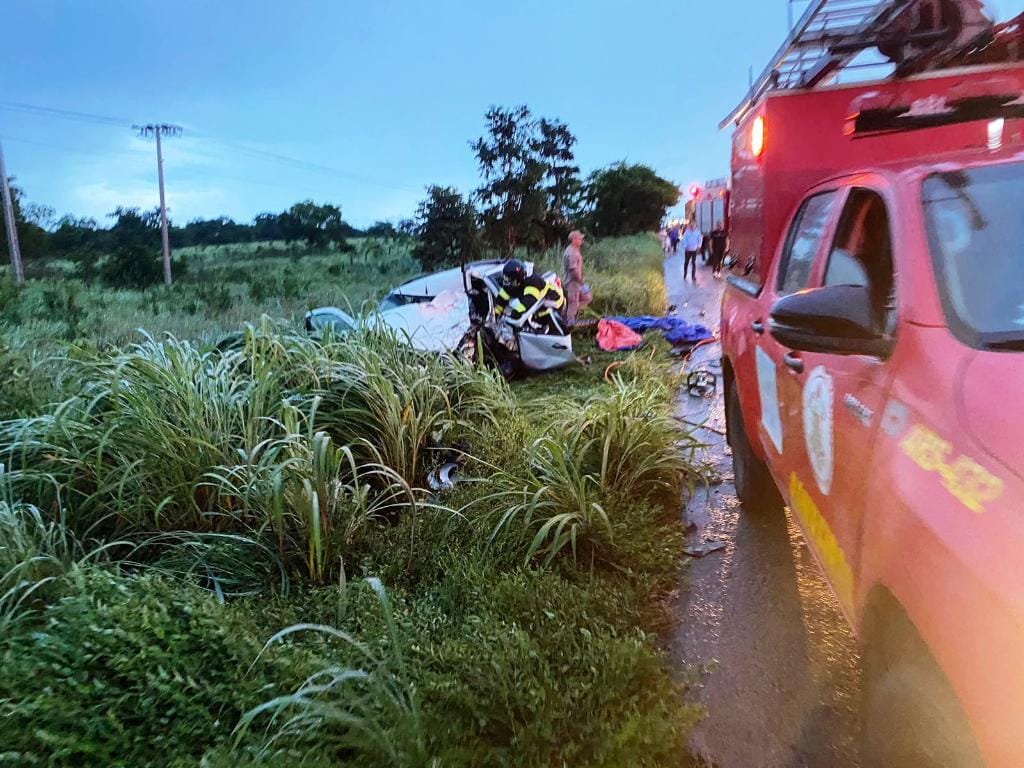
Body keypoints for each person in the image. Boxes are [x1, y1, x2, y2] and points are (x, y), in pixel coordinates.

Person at [495, 259, 566, 334]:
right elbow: (503, 295)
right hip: (540, 300)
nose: (507, 281)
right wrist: (496, 313)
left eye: (509, 279)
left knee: (544, 325)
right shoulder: (515, 282)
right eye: (506, 278)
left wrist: (513, 316)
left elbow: (527, 303)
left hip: (554, 302)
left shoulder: (532, 282)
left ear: (519, 278)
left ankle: (548, 331)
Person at [562, 230, 588, 328]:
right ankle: (569, 325)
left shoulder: (574, 250)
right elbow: (573, 271)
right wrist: (581, 283)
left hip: (575, 282)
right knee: (573, 303)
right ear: (574, 240)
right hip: (572, 282)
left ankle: (570, 319)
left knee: (581, 300)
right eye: (579, 238)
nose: (581, 240)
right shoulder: (572, 252)